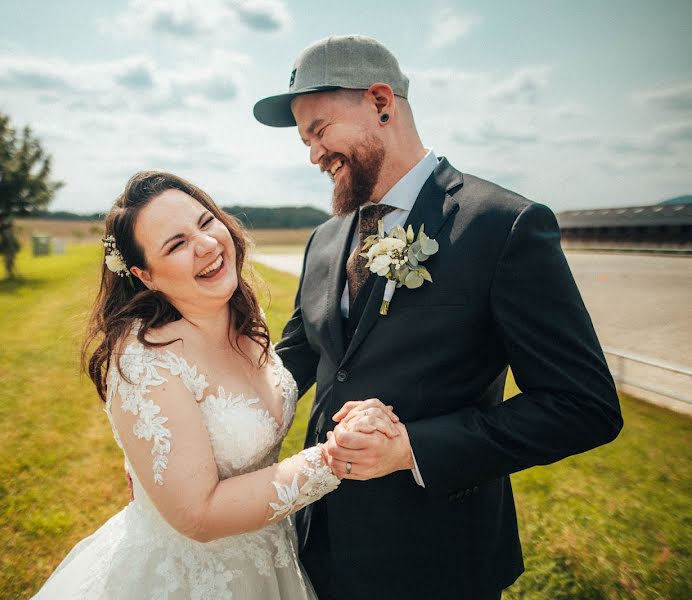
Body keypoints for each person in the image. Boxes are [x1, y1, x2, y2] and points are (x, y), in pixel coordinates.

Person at [253, 35, 624, 599]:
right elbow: (295, 359)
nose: (313, 155)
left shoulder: (503, 226)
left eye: (320, 130)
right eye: (305, 140)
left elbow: (583, 405)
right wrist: (206, 434)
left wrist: (411, 448)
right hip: (320, 539)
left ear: (381, 102)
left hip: (438, 557)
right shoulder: (324, 239)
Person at [31, 171, 398, 599]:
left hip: (272, 553)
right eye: (176, 244)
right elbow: (198, 515)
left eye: (205, 223)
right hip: (193, 578)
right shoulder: (142, 360)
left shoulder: (243, 313)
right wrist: (335, 458)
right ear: (144, 274)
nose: (205, 245)